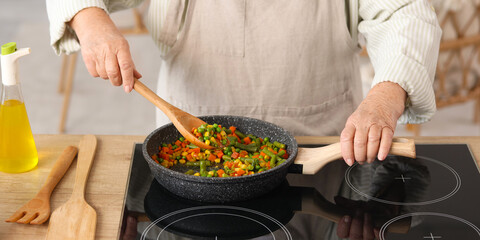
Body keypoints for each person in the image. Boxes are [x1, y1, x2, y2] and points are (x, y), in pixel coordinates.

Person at [46, 1, 441, 238]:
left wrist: (387, 94)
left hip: (328, 149)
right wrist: (89, 17)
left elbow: (404, 10)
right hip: (189, 167)